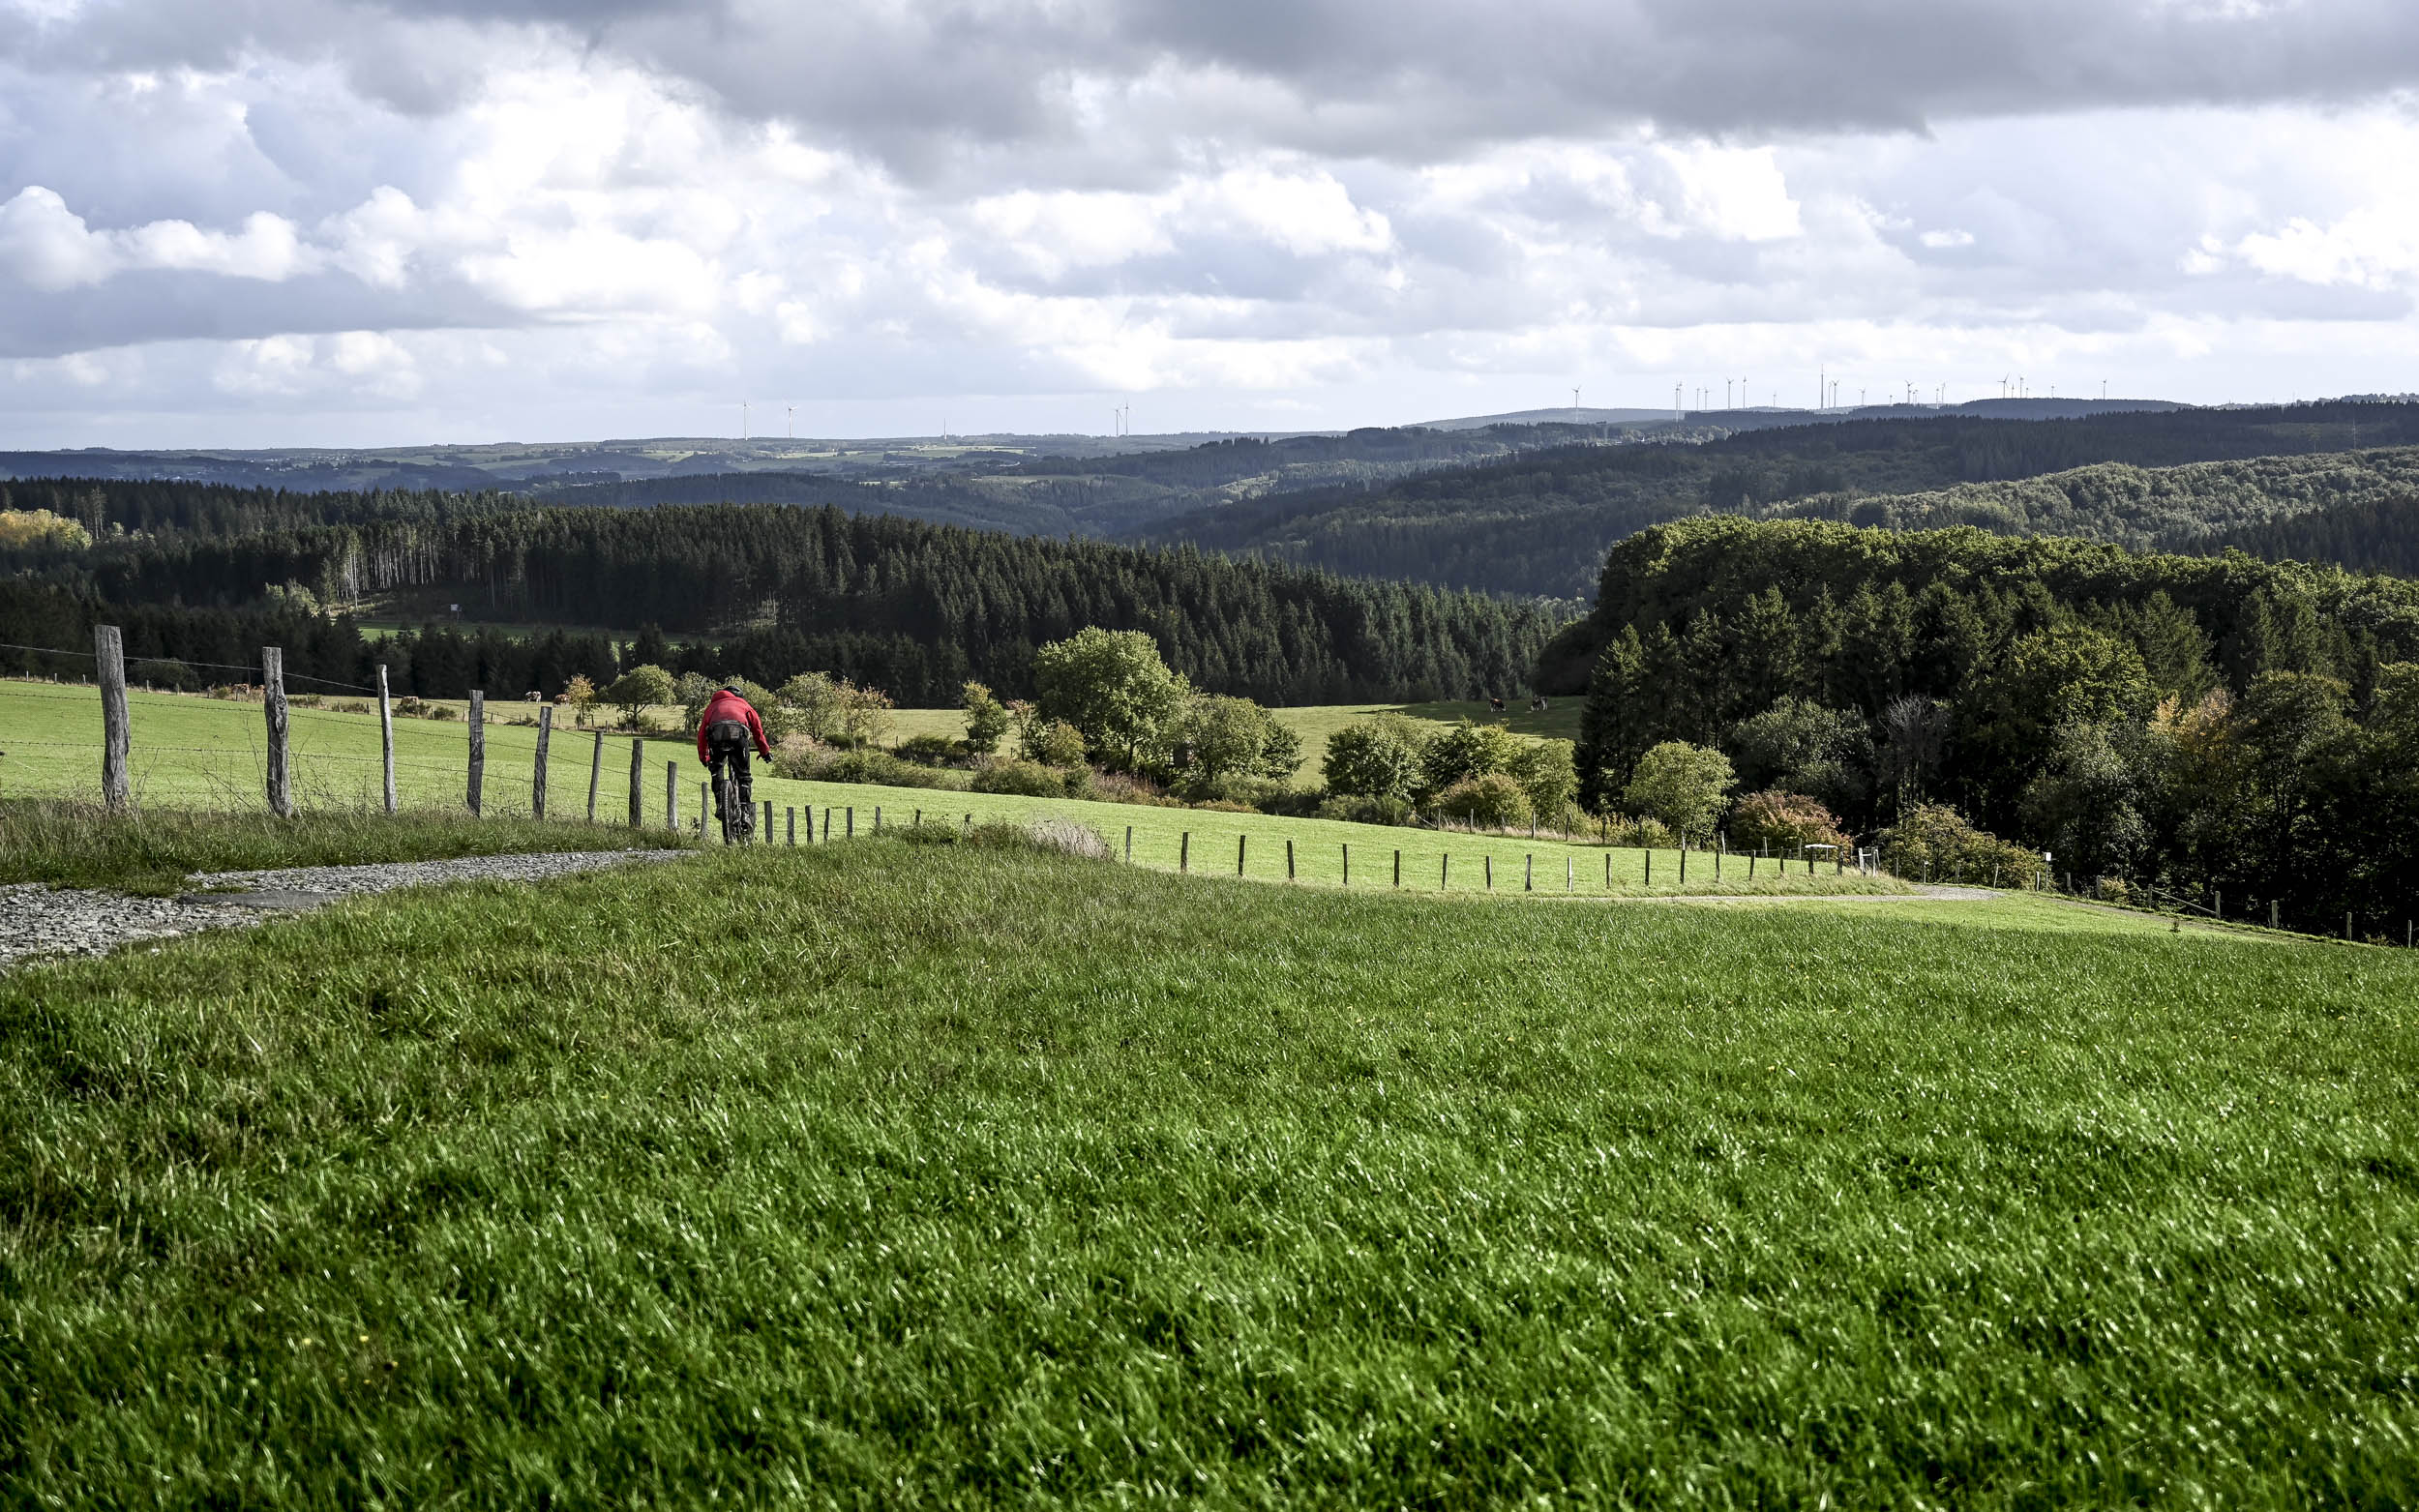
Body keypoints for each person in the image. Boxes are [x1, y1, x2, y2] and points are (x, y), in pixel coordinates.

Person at [696, 682, 772, 834]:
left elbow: (702, 734)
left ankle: (720, 804)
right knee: (744, 776)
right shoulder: (744, 704)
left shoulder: (711, 707)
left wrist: (704, 757)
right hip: (738, 735)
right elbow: (757, 730)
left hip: (716, 736)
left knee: (717, 768)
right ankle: (744, 811)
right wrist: (765, 752)